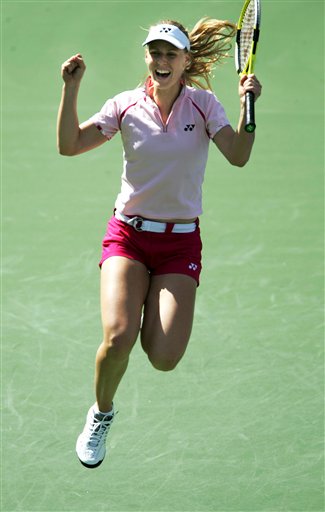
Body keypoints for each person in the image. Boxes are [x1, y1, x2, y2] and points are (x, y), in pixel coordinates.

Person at [57, 17, 262, 469]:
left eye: (171, 53)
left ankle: (151, 303)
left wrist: (248, 111)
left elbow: (239, 156)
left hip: (179, 246)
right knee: (118, 337)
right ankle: (101, 413)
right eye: (155, 52)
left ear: (186, 61)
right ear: (147, 57)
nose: (161, 60)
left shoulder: (205, 106)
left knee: (164, 357)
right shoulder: (125, 105)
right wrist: (71, 88)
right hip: (128, 236)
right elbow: (69, 144)